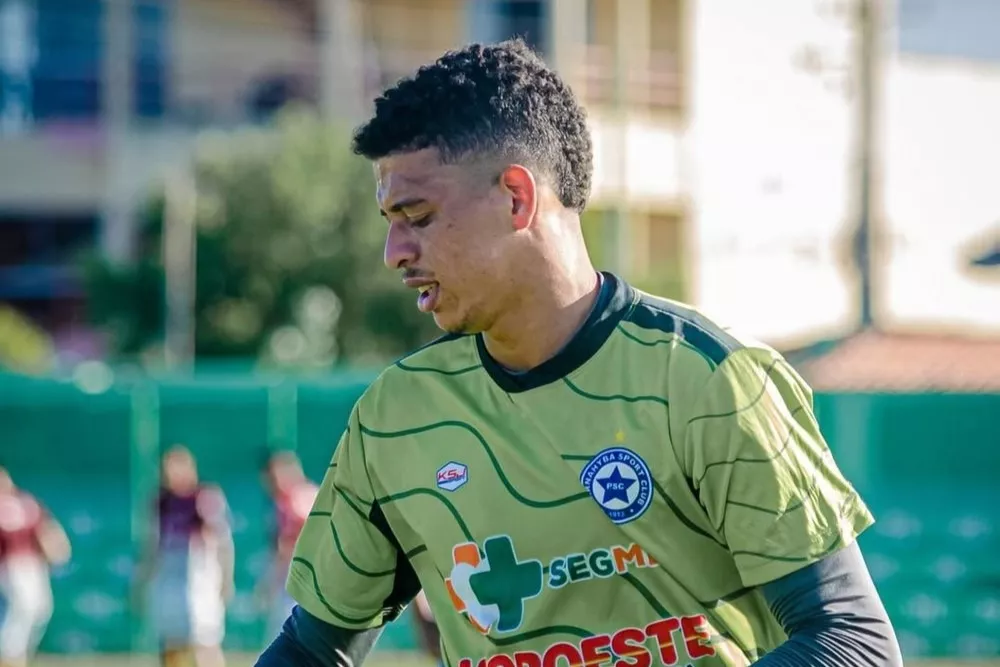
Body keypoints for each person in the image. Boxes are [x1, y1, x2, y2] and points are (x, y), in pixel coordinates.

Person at [255, 39, 902, 667]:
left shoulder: (708, 379)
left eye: (417, 215)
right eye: (390, 222)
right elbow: (311, 650)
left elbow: (854, 642)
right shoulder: (395, 419)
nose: (394, 252)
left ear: (516, 197)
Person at [135, 446, 234, 667]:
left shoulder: (204, 497)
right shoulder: (160, 502)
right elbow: (151, 545)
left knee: (204, 641)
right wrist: (142, 581)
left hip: (199, 580)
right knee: (170, 643)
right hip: (168, 578)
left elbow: (223, 542)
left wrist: (226, 580)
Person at [0, 465, 70, 667]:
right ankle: (9, 654)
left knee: (41, 610)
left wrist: (57, 548)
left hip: (34, 563)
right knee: (24, 608)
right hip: (10, 563)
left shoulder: (25, 502)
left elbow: (45, 527)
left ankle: (17, 654)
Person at [257, 451, 319, 641]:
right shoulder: (307, 494)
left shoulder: (296, 498)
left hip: (303, 575)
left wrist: (270, 580)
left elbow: (290, 543)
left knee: (287, 635)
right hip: (306, 575)